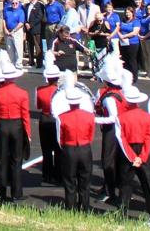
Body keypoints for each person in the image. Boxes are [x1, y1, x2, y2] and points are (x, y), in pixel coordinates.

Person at [115, 86, 150, 223]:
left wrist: (132, 157)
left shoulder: (121, 117)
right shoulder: (147, 117)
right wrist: (142, 156)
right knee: (148, 185)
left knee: (125, 185)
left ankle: (122, 215)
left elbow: (121, 138)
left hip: (127, 152)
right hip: (142, 150)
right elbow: (149, 137)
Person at [0, 52, 29, 204]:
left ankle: (0, 194)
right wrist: (28, 134)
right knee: (16, 160)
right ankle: (16, 193)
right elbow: (25, 115)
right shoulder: (22, 93)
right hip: (17, 126)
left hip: (2, 126)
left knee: (1, 160)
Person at [55, 76, 95, 211]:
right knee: (85, 180)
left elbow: (60, 138)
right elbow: (91, 135)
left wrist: (66, 146)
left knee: (70, 181)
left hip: (69, 150)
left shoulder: (62, 117)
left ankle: (70, 207)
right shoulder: (89, 116)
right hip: (85, 148)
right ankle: (85, 207)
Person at [94, 56, 126, 204]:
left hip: (112, 130)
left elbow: (113, 117)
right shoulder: (119, 92)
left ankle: (110, 191)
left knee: (108, 161)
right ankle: (109, 186)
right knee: (115, 159)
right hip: (119, 128)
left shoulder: (108, 97)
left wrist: (94, 119)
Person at [35, 56, 61, 184]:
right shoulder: (60, 90)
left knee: (46, 149)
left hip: (44, 119)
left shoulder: (40, 90)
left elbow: (38, 106)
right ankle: (58, 174)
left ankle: (47, 174)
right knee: (58, 148)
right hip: (56, 120)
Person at [117, 6, 142, 79]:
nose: (127, 14)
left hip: (133, 43)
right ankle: (126, 76)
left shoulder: (136, 21)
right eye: (126, 12)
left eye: (129, 12)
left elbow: (135, 32)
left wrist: (124, 36)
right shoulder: (123, 21)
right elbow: (118, 29)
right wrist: (120, 35)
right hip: (123, 43)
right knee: (124, 60)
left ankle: (134, 77)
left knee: (132, 60)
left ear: (132, 13)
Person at [1, 0, 26, 66]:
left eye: (16, 3)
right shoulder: (7, 10)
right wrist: (5, 29)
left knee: (18, 48)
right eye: (13, 3)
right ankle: (12, 63)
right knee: (9, 48)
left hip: (17, 31)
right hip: (8, 31)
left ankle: (18, 64)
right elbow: (4, 19)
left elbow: (21, 23)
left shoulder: (21, 11)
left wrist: (14, 30)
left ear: (18, 4)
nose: (14, 4)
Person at [23, 0, 45, 67]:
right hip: (28, 29)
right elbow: (25, 16)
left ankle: (39, 63)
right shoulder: (27, 5)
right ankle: (31, 60)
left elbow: (39, 17)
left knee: (37, 46)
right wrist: (26, 23)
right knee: (29, 45)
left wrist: (31, 25)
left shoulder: (39, 5)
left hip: (36, 29)